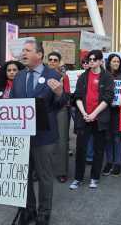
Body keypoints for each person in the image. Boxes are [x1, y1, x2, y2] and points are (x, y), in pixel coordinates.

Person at [11, 40, 66, 225]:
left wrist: (59, 93)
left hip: (44, 137)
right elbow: (12, 105)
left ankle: (44, 212)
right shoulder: (18, 77)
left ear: (39, 54)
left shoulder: (53, 75)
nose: (23, 54)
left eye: (27, 50)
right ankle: (28, 210)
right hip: (22, 135)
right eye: (22, 51)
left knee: (44, 177)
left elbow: (61, 104)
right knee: (23, 175)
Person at [69, 50, 115, 190]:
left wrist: (94, 114)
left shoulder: (107, 77)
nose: (91, 61)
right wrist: (84, 113)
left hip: (99, 118)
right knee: (81, 149)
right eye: (90, 59)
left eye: (95, 59)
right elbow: (77, 96)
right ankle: (78, 178)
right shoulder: (83, 76)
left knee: (98, 149)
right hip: (84, 117)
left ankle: (95, 177)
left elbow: (108, 98)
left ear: (101, 61)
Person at [47, 51, 71, 184]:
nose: (52, 62)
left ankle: (61, 171)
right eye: (50, 59)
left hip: (61, 109)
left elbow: (67, 95)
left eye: (55, 60)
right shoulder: (43, 74)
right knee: (45, 141)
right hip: (46, 109)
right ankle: (43, 170)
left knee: (61, 141)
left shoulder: (65, 77)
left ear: (59, 62)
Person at [102, 53, 121, 177]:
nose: (116, 63)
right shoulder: (104, 75)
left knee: (117, 138)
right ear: (109, 62)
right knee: (107, 137)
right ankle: (109, 161)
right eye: (114, 61)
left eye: (118, 61)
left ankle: (117, 163)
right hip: (105, 110)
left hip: (118, 111)